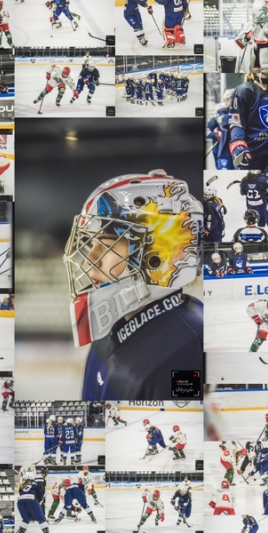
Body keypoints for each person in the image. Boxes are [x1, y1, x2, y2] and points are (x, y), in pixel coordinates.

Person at [63, 170, 203, 400]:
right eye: (91, 243)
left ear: (156, 257)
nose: (90, 260)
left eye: (108, 244)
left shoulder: (187, 349)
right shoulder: (107, 332)